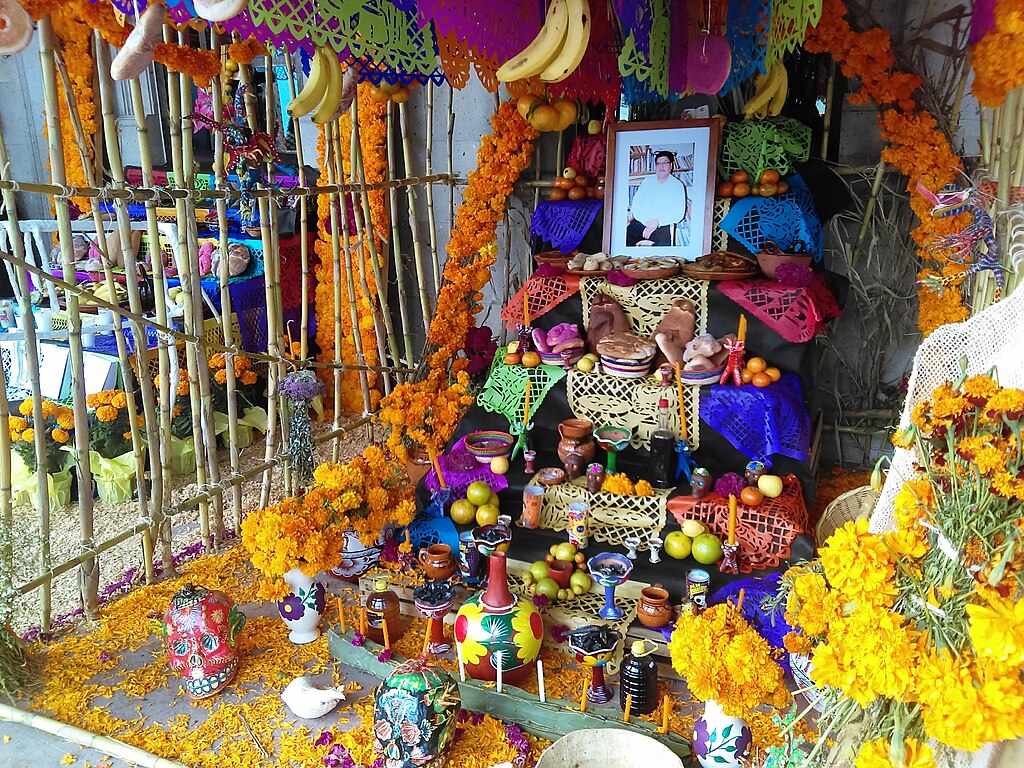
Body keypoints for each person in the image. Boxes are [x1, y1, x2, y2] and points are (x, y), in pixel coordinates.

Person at [626, 150, 689, 246]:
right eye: (658, 163)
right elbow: (636, 205)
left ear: (671, 165)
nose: (661, 166)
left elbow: (679, 213)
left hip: (663, 224)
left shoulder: (677, 186)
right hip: (643, 222)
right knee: (627, 236)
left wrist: (657, 223)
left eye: (665, 163)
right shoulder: (647, 182)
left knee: (662, 247)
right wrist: (646, 222)